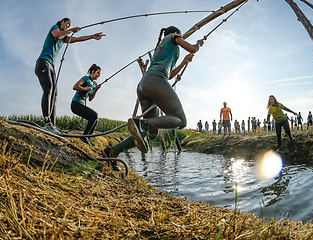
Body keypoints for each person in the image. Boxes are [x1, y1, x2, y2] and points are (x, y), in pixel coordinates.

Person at [101, 26, 204, 170]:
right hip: (155, 82)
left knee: (152, 134)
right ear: (176, 34)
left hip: (144, 85)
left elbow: (169, 75)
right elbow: (193, 48)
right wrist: (198, 43)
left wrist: (183, 62)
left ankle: (112, 151)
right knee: (181, 120)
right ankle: (143, 124)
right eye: (180, 37)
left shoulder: (162, 48)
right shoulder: (172, 38)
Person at [35, 17, 105, 134]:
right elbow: (57, 34)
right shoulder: (55, 28)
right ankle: (47, 123)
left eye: (69, 25)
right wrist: (71, 29)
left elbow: (77, 39)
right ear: (62, 22)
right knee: (48, 88)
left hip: (51, 66)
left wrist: (92, 36)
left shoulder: (64, 38)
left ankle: (53, 125)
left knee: (55, 93)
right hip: (43, 62)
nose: (67, 26)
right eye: (67, 24)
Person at [71, 64, 102, 146]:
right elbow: (75, 87)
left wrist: (96, 90)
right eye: (98, 73)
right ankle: (83, 137)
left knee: (95, 119)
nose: (99, 75)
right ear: (93, 72)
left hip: (81, 104)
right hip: (75, 104)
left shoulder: (95, 84)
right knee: (94, 115)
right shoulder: (86, 78)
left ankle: (87, 138)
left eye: (100, 74)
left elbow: (90, 99)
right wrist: (85, 89)